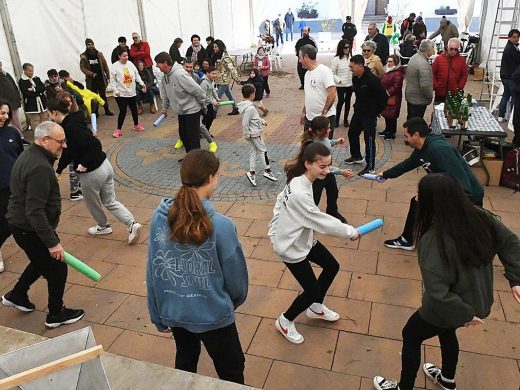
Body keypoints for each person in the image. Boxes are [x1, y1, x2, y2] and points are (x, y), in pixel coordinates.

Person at [373, 173, 520, 390]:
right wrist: (516, 279)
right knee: (446, 330)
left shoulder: (433, 240)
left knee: (411, 334)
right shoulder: (478, 215)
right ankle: (447, 379)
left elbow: (438, 293)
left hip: (453, 307)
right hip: (478, 301)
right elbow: (511, 242)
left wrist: (466, 315)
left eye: (419, 195)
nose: (416, 198)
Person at [147, 149, 248, 383]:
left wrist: (158, 313)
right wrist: (225, 304)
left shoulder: (158, 217)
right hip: (214, 315)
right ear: (211, 177)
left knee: (185, 361)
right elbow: (237, 284)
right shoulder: (222, 226)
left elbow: (153, 269)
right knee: (232, 368)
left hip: (176, 311)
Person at [268, 141, 360, 344]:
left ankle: (316, 307)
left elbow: (280, 199)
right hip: (290, 248)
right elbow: (321, 221)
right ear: (308, 164)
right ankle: (285, 320)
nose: (327, 170)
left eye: (329, 165)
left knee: (332, 266)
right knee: (312, 290)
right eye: (323, 166)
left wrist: (275, 226)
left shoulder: (299, 180)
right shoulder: (300, 191)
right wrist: (349, 232)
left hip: (302, 239)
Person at [3, 121, 84, 328]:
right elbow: (34, 211)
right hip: (29, 228)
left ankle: (17, 295)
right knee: (57, 269)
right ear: (44, 140)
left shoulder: (32, 155)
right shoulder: (40, 167)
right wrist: (52, 242)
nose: (64, 145)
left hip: (22, 224)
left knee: (40, 261)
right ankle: (55, 314)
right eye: (60, 141)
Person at [377, 117, 484, 251]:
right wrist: (386, 174)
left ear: (416, 135)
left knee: (455, 226)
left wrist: (447, 200)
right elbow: (408, 164)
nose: (405, 139)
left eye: (406, 136)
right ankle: (409, 239)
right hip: (446, 189)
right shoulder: (422, 147)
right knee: (418, 202)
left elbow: (461, 182)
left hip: (466, 196)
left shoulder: (439, 150)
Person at [48, 95, 142, 243]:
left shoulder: (70, 127)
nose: (49, 117)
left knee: (92, 203)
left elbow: (94, 144)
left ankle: (103, 226)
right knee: (110, 200)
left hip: (92, 173)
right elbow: (70, 151)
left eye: (49, 114)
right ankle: (132, 224)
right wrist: (59, 170)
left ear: (54, 113)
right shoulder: (76, 119)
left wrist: (83, 164)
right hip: (105, 165)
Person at [155, 52, 207, 159]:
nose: (156, 66)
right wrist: (164, 108)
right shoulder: (165, 76)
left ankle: (196, 161)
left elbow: (198, 90)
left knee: (193, 138)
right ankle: (190, 156)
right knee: (183, 135)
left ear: (165, 63)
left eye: (158, 63)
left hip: (191, 110)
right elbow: (165, 95)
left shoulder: (180, 75)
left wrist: (203, 104)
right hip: (181, 111)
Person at [303, 116, 353, 222]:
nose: (330, 130)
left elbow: (328, 142)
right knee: (315, 198)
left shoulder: (322, 138)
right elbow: (325, 167)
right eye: (328, 128)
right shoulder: (316, 147)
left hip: (328, 173)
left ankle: (332, 211)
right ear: (318, 131)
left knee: (333, 192)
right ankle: (309, 218)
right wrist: (341, 172)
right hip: (318, 176)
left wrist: (336, 142)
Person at [345, 54, 388, 175]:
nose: (350, 69)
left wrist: (378, 111)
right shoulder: (355, 78)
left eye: (352, 66)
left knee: (369, 139)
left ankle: (370, 165)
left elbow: (384, 97)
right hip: (358, 112)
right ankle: (357, 156)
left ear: (360, 66)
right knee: (352, 133)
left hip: (369, 115)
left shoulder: (372, 80)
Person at [0, 100, 23, 273]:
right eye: (1, 113)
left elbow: (21, 157)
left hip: (16, 186)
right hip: (1, 190)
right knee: (5, 222)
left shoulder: (12, 133)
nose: (5, 117)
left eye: (7, 113)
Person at [237, 84, 277, 187]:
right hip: (254, 134)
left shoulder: (246, 106)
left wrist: (262, 121)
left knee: (253, 152)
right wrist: (247, 134)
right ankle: (267, 170)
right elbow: (245, 122)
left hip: (252, 133)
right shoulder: (250, 108)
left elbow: (253, 119)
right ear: (252, 94)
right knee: (263, 151)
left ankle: (252, 172)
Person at [299, 44, 337, 139]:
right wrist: (304, 112)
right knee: (307, 147)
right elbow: (309, 95)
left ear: (306, 57)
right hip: (310, 118)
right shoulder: (307, 74)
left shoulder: (324, 71)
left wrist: (324, 113)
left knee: (323, 149)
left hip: (324, 118)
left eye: (300, 57)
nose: (299, 61)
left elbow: (332, 93)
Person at [108, 47, 146, 138]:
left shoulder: (130, 64)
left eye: (127, 55)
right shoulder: (114, 67)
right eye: (123, 56)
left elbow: (136, 75)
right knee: (123, 111)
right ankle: (118, 130)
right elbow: (112, 82)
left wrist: (142, 83)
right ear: (119, 56)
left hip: (131, 92)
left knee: (134, 109)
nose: (126, 57)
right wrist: (115, 90)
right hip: (120, 94)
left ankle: (136, 125)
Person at [80, 38, 113, 116]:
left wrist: (108, 76)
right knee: (93, 96)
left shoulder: (99, 54)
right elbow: (82, 68)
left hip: (101, 79)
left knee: (103, 96)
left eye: (92, 44)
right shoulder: (84, 56)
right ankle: (96, 112)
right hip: (91, 81)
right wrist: (91, 74)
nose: (91, 46)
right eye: (89, 45)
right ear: (86, 46)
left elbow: (105, 65)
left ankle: (107, 110)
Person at [405, 39, 435, 120]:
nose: (434, 50)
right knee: (416, 122)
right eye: (433, 48)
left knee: (410, 118)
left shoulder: (414, 57)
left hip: (411, 96)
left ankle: (408, 131)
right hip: (419, 99)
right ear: (428, 50)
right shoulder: (423, 64)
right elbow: (425, 85)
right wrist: (429, 97)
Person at [432, 38, 468, 103]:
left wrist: (459, 87)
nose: (453, 51)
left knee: (455, 112)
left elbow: (464, 75)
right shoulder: (439, 59)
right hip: (440, 94)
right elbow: (432, 73)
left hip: (455, 94)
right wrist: (435, 85)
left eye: (456, 49)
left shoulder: (461, 60)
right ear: (447, 47)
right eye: (451, 49)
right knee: (438, 112)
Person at [378, 55, 405, 140]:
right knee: (386, 114)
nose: (388, 63)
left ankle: (391, 132)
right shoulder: (388, 70)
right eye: (388, 61)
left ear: (395, 62)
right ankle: (387, 130)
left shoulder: (398, 73)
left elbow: (396, 86)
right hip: (387, 96)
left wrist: (387, 92)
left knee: (392, 116)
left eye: (390, 62)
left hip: (393, 97)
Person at [211, 40, 240, 115]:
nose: (214, 48)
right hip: (219, 79)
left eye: (216, 47)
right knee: (229, 94)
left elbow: (232, 69)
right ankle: (235, 108)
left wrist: (236, 79)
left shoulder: (226, 57)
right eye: (213, 47)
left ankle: (213, 112)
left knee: (217, 96)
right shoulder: (216, 55)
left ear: (220, 47)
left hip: (224, 80)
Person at [497, 29, 520, 122]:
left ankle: (501, 116)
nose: (516, 39)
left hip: (505, 76)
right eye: (514, 37)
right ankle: (512, 117)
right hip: (510, 77)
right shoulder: (511, 48)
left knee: (506, 95)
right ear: (509, 37)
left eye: (518, 37)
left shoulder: (511, 47)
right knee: (514, 97)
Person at [330, 39, 353, 127]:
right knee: (341, 101)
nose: (347, 49)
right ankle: (337, 119)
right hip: (340, 85)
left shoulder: (351, 57)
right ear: (341, 48)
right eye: (345, 47)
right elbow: (332, 72)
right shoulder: (336, 59)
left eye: (349, 47)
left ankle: (346, 119)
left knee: (348, 102)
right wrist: (338, 80)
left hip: (350, 84)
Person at [18, 63, 48, 131]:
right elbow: (26, 93)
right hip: (32, 105)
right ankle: (38, 137)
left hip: (42, 104)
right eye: (30, 71)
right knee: (35, 121)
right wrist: (39, 92)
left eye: (32, 70)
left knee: (45, 119)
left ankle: (47, 134)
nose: (32, 72)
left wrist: (34, 89)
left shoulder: (36, 78)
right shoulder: (22, 81)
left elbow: (43, 87)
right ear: (24, 71)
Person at [0, 61, 23, 135]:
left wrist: (18, 97)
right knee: (7, 121)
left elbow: (14, 86)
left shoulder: (6, 74)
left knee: (16, 120)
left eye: (0, 65)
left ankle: (20, 135)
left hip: (13, 102)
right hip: (4, 104)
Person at [200, 66, 219, 137]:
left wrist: (217, 98)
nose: (215, 75)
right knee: (206, 118)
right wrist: (212, 101)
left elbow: (213, 90)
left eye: (216, 74)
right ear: (208, 74)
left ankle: (206, 132)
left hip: (209, 103)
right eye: (213, 74)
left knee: (211, 116)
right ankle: (200, 130)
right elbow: (203, 96)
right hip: (203, 104)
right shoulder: (204, 82)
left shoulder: (211, 81)